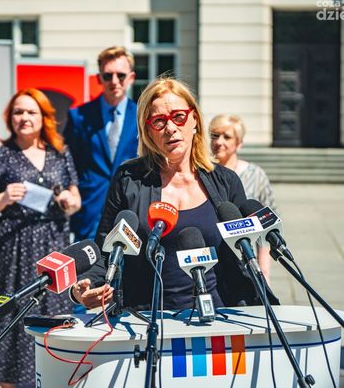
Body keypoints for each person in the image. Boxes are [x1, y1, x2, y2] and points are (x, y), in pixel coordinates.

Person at [72, 77, 279, 311]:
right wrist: (84, 287)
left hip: (218, 315)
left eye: (178, 116)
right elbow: (106, 249)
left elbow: (245, 249)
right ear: (148, 131)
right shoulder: (128, 179)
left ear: (194, 120)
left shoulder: (225, 181)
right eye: (159, 121)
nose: (170, 128)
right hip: (146, 318)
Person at [0, 88, 81, 388]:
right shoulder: (0, 154)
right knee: (12, 316)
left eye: (30, 112)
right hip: (14, 246)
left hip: (53, 243)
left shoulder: (60, 152)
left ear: (43, 117)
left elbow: (75, 197)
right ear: (10, 118)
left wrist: (69, 202)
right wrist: (2, 199)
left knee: (54, 314)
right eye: (18, 112)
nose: (24, 117)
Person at [65, 46, 138, 241]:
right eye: (108, 76)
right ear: (99, 78)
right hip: (90, 209)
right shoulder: (78, 116)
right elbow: (69, 162)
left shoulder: (142, 116)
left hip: (129, 209)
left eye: (120, 75)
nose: (114, 81)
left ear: (131, 78)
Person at [209, 114, 276, 281]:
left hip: (245, 264)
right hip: (212, 266)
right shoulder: (201, 175)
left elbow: (266, 228)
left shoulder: (255, 175)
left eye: (227, 137)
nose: (219, 142)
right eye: (215, 136)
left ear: (239, 142)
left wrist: (264, 273)